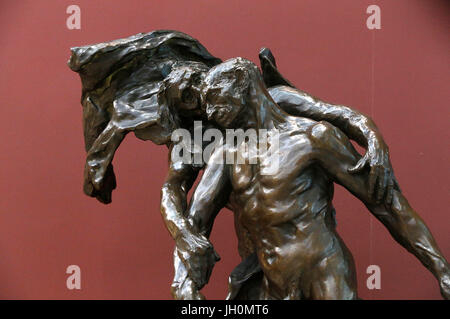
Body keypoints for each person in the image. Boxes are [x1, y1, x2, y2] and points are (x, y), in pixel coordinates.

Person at [177, 57, 449, 299]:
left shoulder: (313, 138)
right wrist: (184, 283)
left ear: (242, 84)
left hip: (326, 275)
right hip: (273, 284)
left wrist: (441, 269)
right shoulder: (225, 154)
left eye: (214, 98)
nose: (210, 112)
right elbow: (194, 224)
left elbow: (388, 206)